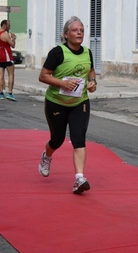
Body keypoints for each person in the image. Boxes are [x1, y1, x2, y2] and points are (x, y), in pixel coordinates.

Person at [38, 16, 97, 194]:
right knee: (57, 139)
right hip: (57, 102)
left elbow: (91, 71)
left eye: (81, 30)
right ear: (66, 34)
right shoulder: (58, 52)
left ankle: (79, 178)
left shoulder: (87, 52)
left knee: (79, 138)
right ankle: (47, 156)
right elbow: (43, 76)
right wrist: (62, 83)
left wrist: (93, 82)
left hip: (80, 102)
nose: (79, 32)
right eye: (75, 30)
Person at [0, 20, 17, 101]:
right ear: (5, 25)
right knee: (11, 75)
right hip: (7, 57)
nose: (10, 27)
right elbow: (13, 45)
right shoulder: (6, 35)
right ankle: (10, 93)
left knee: (0, 75)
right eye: (9, 25)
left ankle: (1, 93)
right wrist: (13, 38)